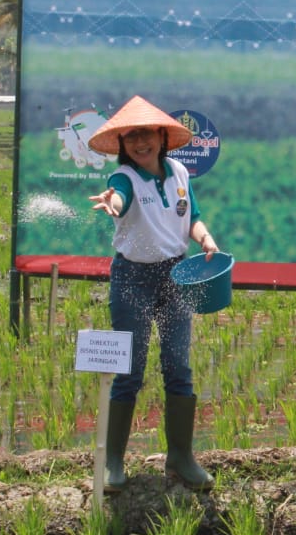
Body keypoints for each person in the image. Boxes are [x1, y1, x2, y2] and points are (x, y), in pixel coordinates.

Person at [87, 96, 220, 492]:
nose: (140, 143)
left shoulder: (179, 171)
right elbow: (118, 198)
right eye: (131, 137)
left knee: (178, 368)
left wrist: (206, 240)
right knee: (129, 370)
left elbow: (190, 216)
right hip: (133, 279)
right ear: (123, 145)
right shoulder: (123, 179)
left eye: (147, 134)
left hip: (175, 276)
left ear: (163, 137)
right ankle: (112, 461)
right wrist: (112, 203)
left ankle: (181, 457)